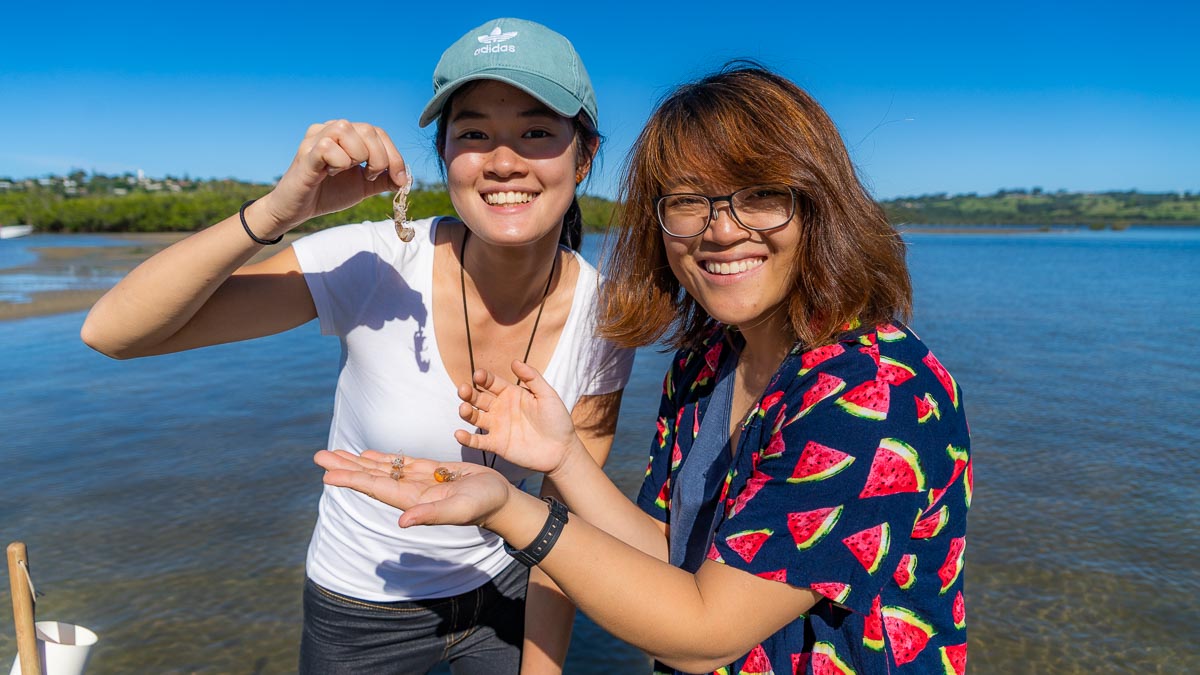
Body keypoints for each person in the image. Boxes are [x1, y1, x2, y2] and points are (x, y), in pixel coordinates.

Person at [315, 63, 972, 675]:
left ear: (818, 202)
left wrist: (512, 510)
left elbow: (707, 632)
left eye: (761, 195)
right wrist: (566, 457)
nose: (720, 230)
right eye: (687, 200)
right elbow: (668, 551)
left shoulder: (876, 392)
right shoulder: (706, 359)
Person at [81, 18, 634, 675]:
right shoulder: (377, 260)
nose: (503, 161)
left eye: (537, 132)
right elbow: (112, 332)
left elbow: (562, 522)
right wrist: (281, 211)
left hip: (507, 586)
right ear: (445, 153)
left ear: (586, 154)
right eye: (475, 132)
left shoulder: (608, 316)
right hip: (362, 604)